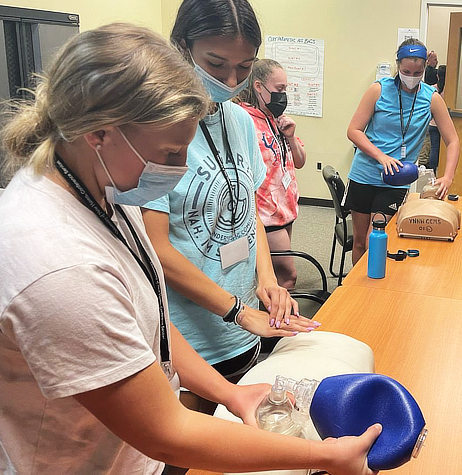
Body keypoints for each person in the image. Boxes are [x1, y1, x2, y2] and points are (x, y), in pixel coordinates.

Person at [0, 23, 380, 475]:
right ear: (99, 132)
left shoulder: (105, 188)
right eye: (170, 153)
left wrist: (231, 393)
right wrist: (326, 455)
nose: (178, 171)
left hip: (133, 455)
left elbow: (149, 324)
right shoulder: (58, 265)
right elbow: (169, 432)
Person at [142, 0, 316, 419]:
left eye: (244, 68)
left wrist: (268, 280)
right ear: (181, 48)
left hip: (242, 328)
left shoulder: (237, 120)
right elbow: (156, 249)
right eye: (216, 65)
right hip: (189, 339)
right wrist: (235, 311)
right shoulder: (155, 128)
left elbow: (247, 210)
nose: (230, 80)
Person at [346, 38, 461, 264]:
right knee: (359, 241)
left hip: (395, 181)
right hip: (364, 174)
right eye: (406, 70)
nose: (411, 76)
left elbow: (453, 140)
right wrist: (381, 156)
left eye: (417, 71)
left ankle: (374, 287)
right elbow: (354, 130)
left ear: (424, 69)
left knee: (374, 238)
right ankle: (358, 290)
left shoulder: (431, 98)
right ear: (397, 65)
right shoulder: (378, 90)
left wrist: (448, 176)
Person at [239, 59, 306, 290]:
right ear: (259, 86)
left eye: (285, 89)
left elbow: (300, 161)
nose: (283, 95)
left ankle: (274, 318)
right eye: (279, 89)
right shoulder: (244, 120)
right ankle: (278, 321)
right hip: (265, 214)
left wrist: (290, 136)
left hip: (286, 209)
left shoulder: (275, 119)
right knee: (288, 277)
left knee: (275, 278)